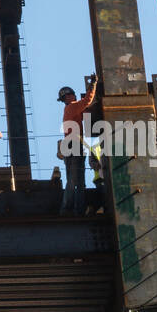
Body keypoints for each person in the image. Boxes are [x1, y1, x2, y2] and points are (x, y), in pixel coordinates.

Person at [58, 76, 97, 217]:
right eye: (71, 94)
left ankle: (77, 209)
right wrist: (93, 86)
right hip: (74, 144)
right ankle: (68, 208)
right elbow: (87, 101)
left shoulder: (73, 110)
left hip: (75, 144)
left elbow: (86, 112)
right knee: (75, 179)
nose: (73, 95)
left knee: (79, 180)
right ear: (68, 97)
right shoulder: (72, 107)